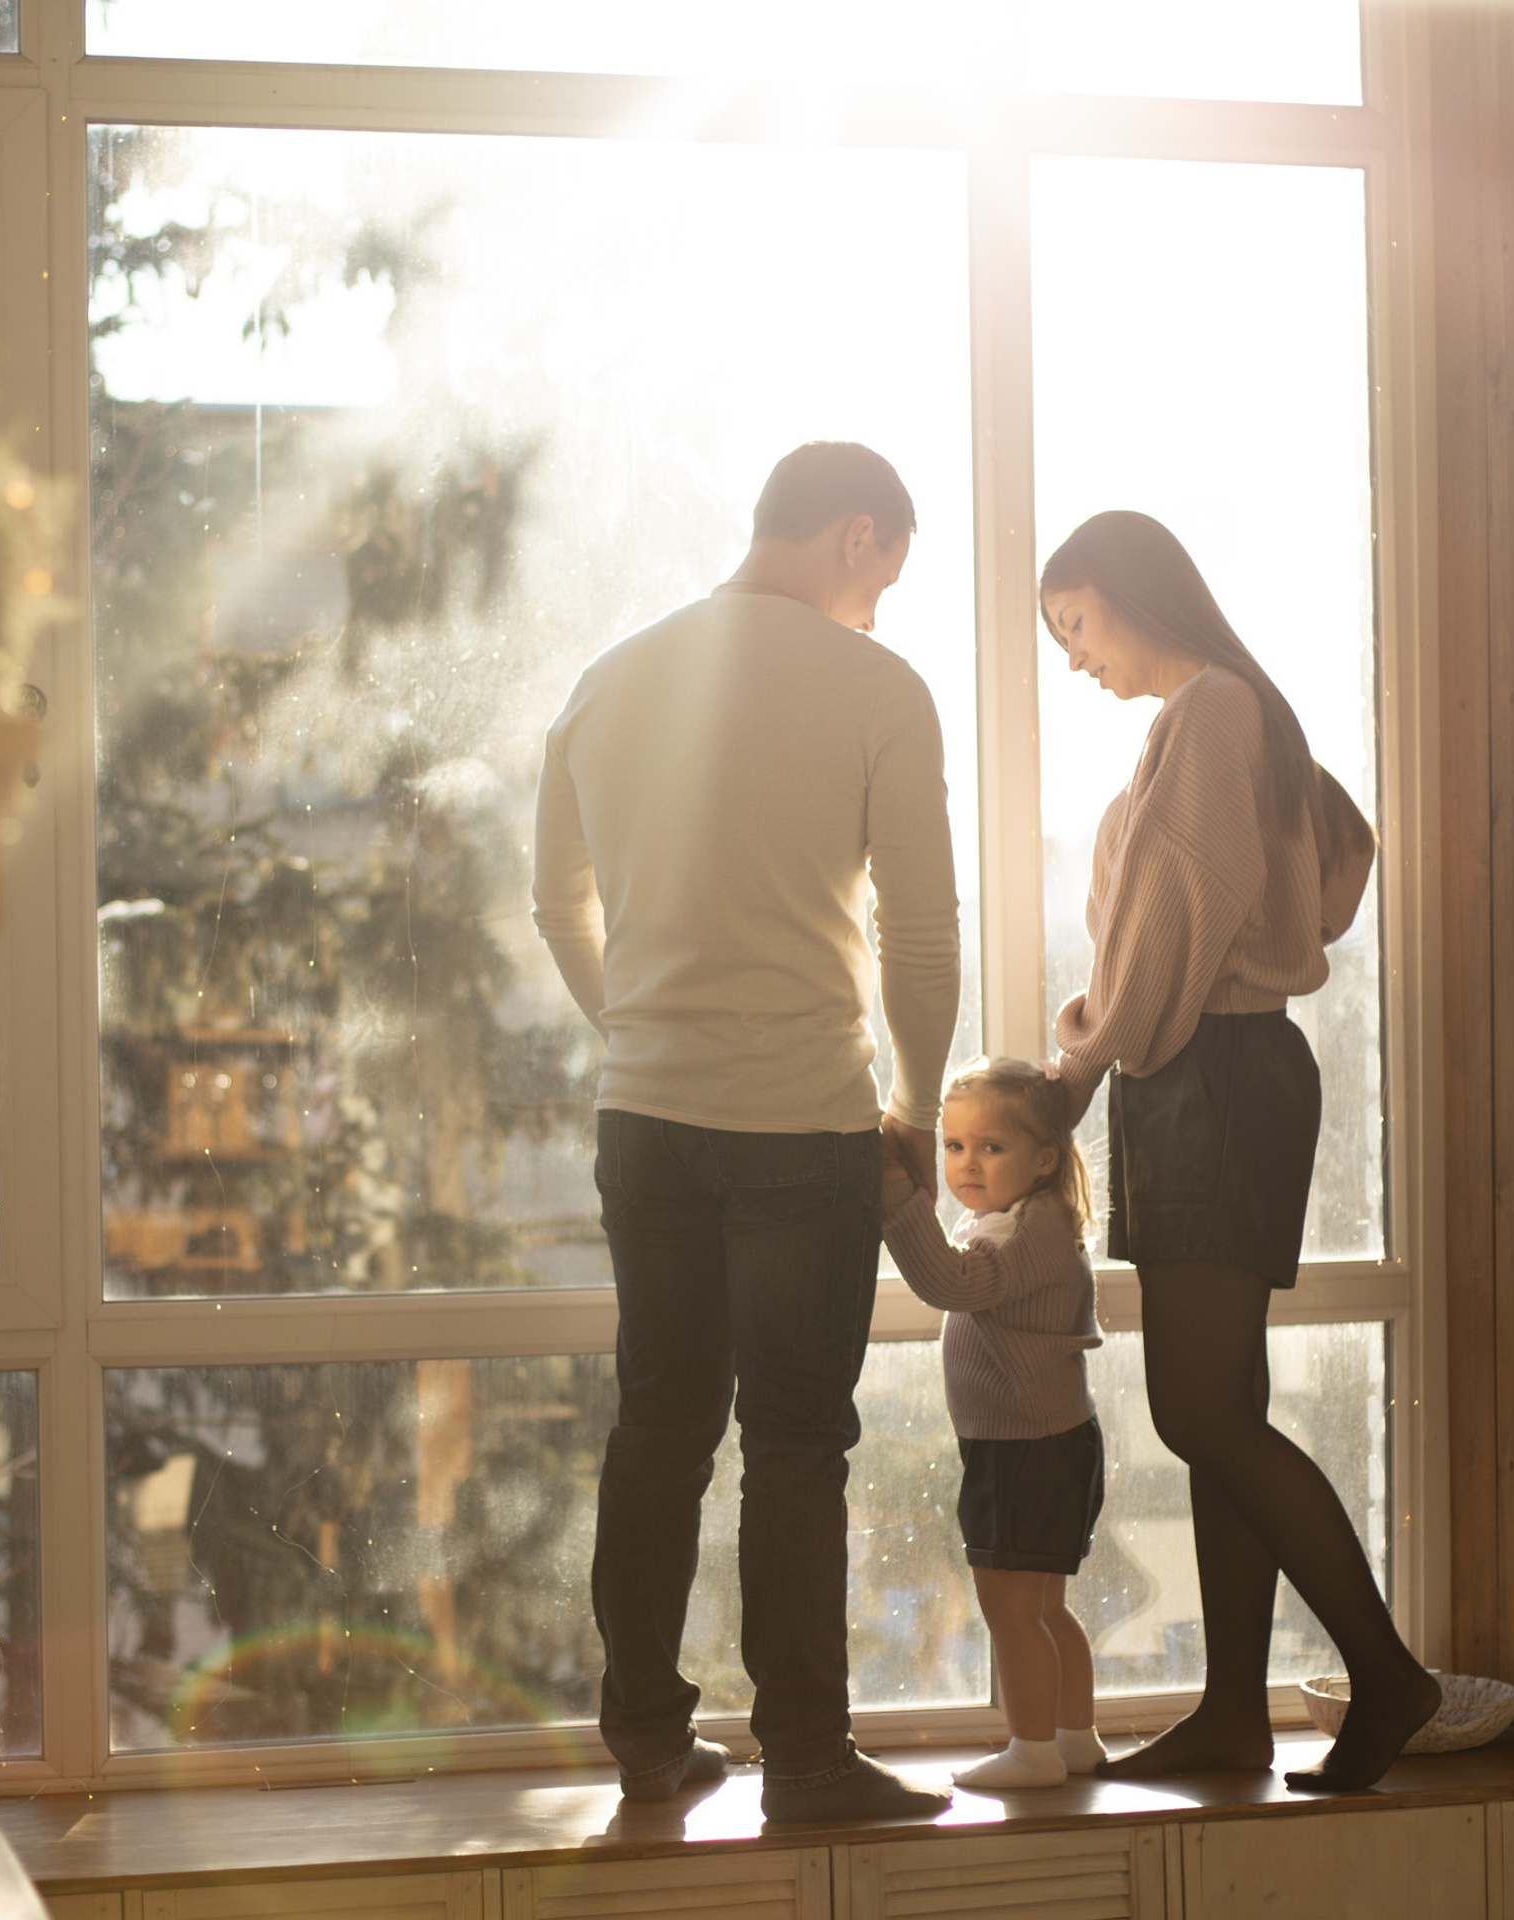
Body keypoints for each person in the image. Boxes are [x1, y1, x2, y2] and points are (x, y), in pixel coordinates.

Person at [533, 442, 960, 1823]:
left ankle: (648, 1737)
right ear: (854, 534)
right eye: (883, 576)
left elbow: (557, 905)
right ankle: (809, 1762)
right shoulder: (876, 689)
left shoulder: (609, 682)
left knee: (659, 1423)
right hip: (798, 1121)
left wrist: (636, 1027)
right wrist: (917, 1102)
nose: (881, 610)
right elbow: (920, 925)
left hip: (644, 1116)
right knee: (793, 1440)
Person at [1041, 509, 1434, 1793]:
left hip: (1208, 1075)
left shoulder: (1210, 713)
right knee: (1225, 1415)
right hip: (1220, 1077)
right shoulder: (1232, 714)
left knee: (1197, 1410)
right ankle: (1232, 1713)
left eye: (1076, 625)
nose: (1076, 658)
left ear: (1125, 592)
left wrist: (1076, 1067)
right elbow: (1336, 861)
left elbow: (1168, 924)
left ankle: (1387, 1678)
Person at [881, 1058, 1105, 1792]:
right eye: (953, 1147)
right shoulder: (1028, 1221)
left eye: (990, 1147)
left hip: (1023, 1450)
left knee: (1010, 1611)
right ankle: (1074, 1740)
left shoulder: (1020, 1233)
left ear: (1043, 1160)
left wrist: (897, 1202)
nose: (967, 1163)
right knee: (1043, 1608)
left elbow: (952, 1282)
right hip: (1050, 1441)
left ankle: (1033, 1749)